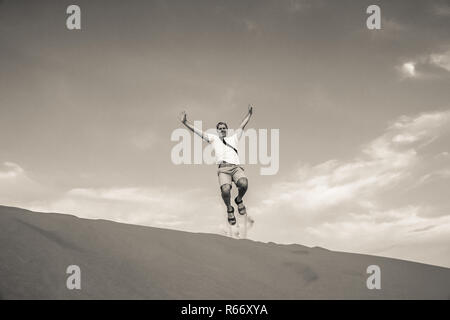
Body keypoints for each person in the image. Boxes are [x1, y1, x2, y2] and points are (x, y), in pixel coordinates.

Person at [178, 105, 253, 225]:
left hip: (236, 167)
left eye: (224, 128)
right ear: (217, 131)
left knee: (244, 184)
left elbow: (242, 126)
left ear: (227, 130)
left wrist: (249, 114)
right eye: (220, 128)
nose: (222, 129)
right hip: (223, 169)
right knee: (225, 189)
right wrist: (185, 122)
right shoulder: (213, 138)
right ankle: (229, 208)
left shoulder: (234, 138)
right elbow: (197, 132)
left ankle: (239, 200)